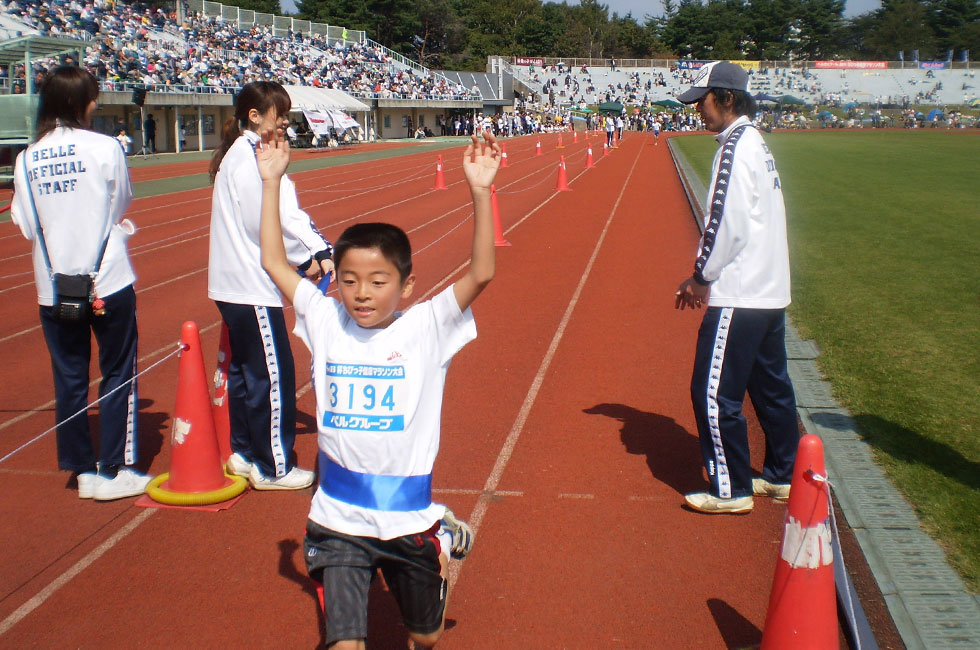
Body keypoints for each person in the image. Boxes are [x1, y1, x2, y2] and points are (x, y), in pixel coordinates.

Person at [255, 129, 500, 647]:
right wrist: (272, 181)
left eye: (377, 281)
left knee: (426, 637)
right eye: (348, 280)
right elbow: (275, 263)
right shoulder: (324, 319)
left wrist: (480, 191)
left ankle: (438, 542)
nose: (361, 293)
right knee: (346, 643)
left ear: (406, 286)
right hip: (337, 516)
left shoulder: (427, 326)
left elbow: (481, 272)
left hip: (407, 517)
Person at [11, 66, 150, 501]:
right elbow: (121, 201)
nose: (96, 104)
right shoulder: (105, 146)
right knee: (117, 372)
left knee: (69, 378)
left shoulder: (27, 157)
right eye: (92, 97)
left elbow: (27, 225)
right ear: (78, 103)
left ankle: (82, 470)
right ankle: (114, 467)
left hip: (53, 285)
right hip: (106, 277)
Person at [673, 61, 799, 514]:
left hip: (741, 293)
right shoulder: (756, 144)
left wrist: (700, 277)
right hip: (769, 291)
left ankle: (731, 488)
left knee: (713, 392)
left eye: (702, 102)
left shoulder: (734, 149)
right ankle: (784, 475)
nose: (698, 112)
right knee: (771, 389)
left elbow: (725, 223)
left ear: (725, 98)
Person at [208, 80, 335, 491]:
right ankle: (273, 465)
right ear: (254, 116)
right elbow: (266, 217)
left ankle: (245, 452)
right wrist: (309, 257)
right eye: (278, 112)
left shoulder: (241, 154)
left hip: (233, 283)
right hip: (250, 283)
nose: (284, 120)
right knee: (272, 374)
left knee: (247, 374)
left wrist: (312, 250)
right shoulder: (249, 158)